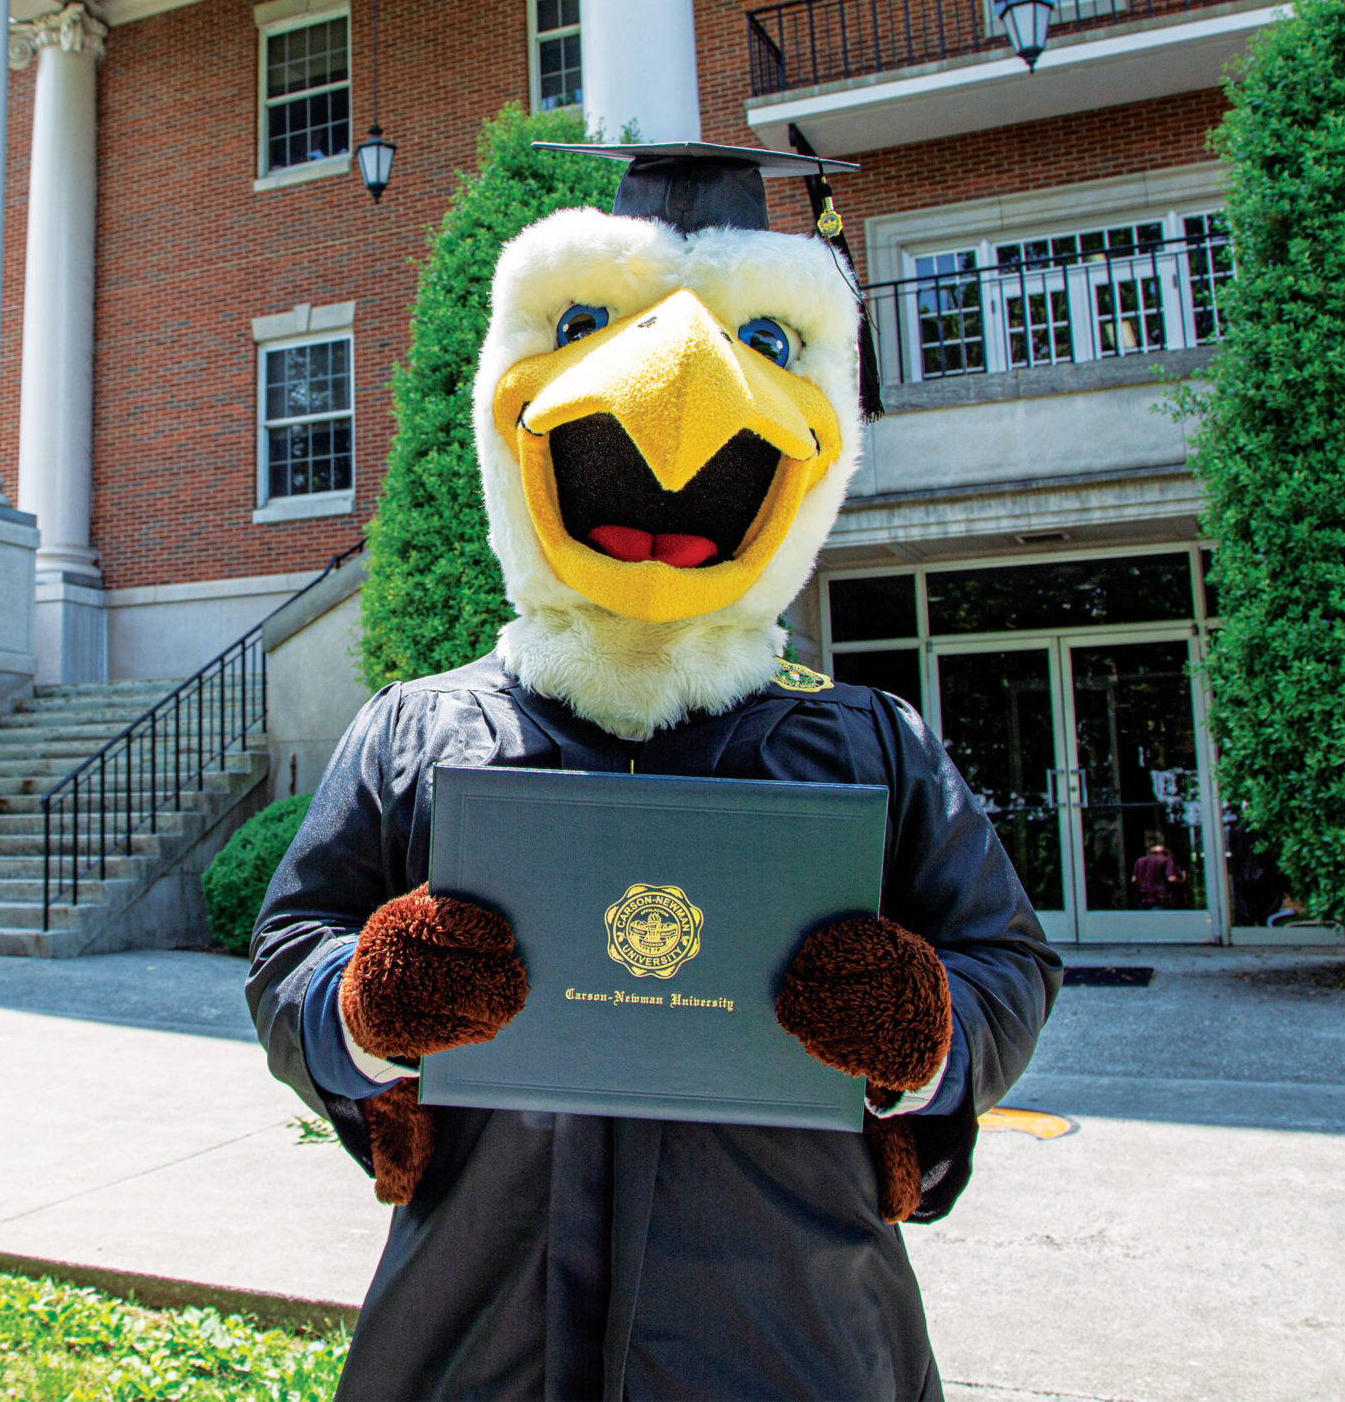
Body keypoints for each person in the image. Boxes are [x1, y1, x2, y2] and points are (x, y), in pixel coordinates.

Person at [249, 144, 1060, 1400]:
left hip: (793, 1336)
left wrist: (929, 1028)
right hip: (479, 1336)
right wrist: (357, 1009)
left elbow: (1005, 956)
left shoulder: (868, 741)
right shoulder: (420, 730)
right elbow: (293, 941)